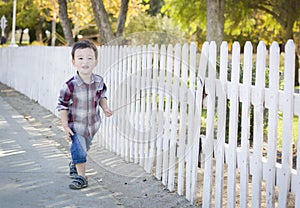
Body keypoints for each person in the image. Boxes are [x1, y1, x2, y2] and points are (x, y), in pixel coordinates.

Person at [57, 39, 113, 189]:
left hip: (93, 125)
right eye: (80, 58)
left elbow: (101, 97)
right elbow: (62, 106)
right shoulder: (70, 85)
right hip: (76, 125)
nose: (85, 62)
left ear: (96, 61)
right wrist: (64, 125)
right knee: (80, 150)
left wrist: (105, 107)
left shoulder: (99, 81)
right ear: (74, 62)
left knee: (84, 148)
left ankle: (74, 163)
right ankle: (82, 177)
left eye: (89, 58)